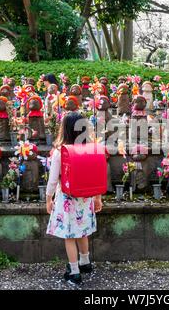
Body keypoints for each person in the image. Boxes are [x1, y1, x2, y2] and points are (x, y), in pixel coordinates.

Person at [46, 112, 103, 285]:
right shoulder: (91, 149)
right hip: (85, 198)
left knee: (69, 235)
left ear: (65, 130)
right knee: (83, 230)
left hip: (67, 199)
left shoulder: (60, 152)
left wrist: (48, 198)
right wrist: (98, 197)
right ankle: (85, 262)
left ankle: (74, 271)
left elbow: (53, 179)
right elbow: (97, 176)